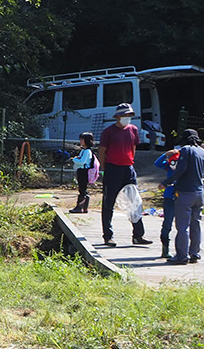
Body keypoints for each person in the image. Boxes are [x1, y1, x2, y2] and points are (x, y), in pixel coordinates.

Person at [98, 103, 151, 247]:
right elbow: (102, 151)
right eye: (125, 115)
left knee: (135, 202)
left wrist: (130, 163)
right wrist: (104, 169)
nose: (128, 118)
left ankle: (138, 235)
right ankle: (108, 236)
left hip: (128, 169)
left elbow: (133, 148)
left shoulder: (133, 129)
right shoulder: (108, 132)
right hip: (112, 169)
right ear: (118, 117)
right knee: (109, 203)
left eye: (129, 115)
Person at [166, 129, 204, 265]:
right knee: (196, 224)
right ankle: (195, 254)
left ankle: (181, 256)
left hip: (185, 193)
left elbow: (181, 169)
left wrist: (166, 182)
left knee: (182, 226)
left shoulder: (186, 150)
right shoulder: (203, 152)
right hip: (199, 193)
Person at [153, 146, 181, 258]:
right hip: (169, 197)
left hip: (181, 197)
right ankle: (165, 249)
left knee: (182, 226)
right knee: (167, 224)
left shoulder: (183, 167)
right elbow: (157, 163)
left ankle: (181, 250)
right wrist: (166, 154)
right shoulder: (168, 167)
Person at [69, 132, 96, 213]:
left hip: (84, 171)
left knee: (82, 189)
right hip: (81, 171)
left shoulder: (87, 151)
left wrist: (74, 159)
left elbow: (82, 162)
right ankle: (84, 207)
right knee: (82, 189)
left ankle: (80, 207)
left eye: (82, 139)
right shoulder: (84, 151)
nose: (80, 141)